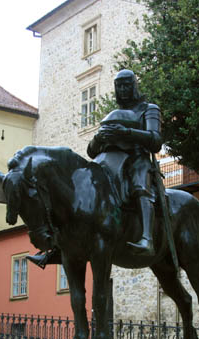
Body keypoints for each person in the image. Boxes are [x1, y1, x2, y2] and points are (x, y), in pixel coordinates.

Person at [27, 69, 162, 267]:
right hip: (106, 161)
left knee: (140, 184)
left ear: (134, 85)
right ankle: (57, 246)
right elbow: (91, 151)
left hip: (136, 159)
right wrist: (98, 138)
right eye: (119, 86)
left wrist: (128, 133)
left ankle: (147, 238)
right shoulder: (110, 115)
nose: (123, 89)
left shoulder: (148, 109)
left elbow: (156, 140)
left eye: (126, 85)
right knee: (77, 190)